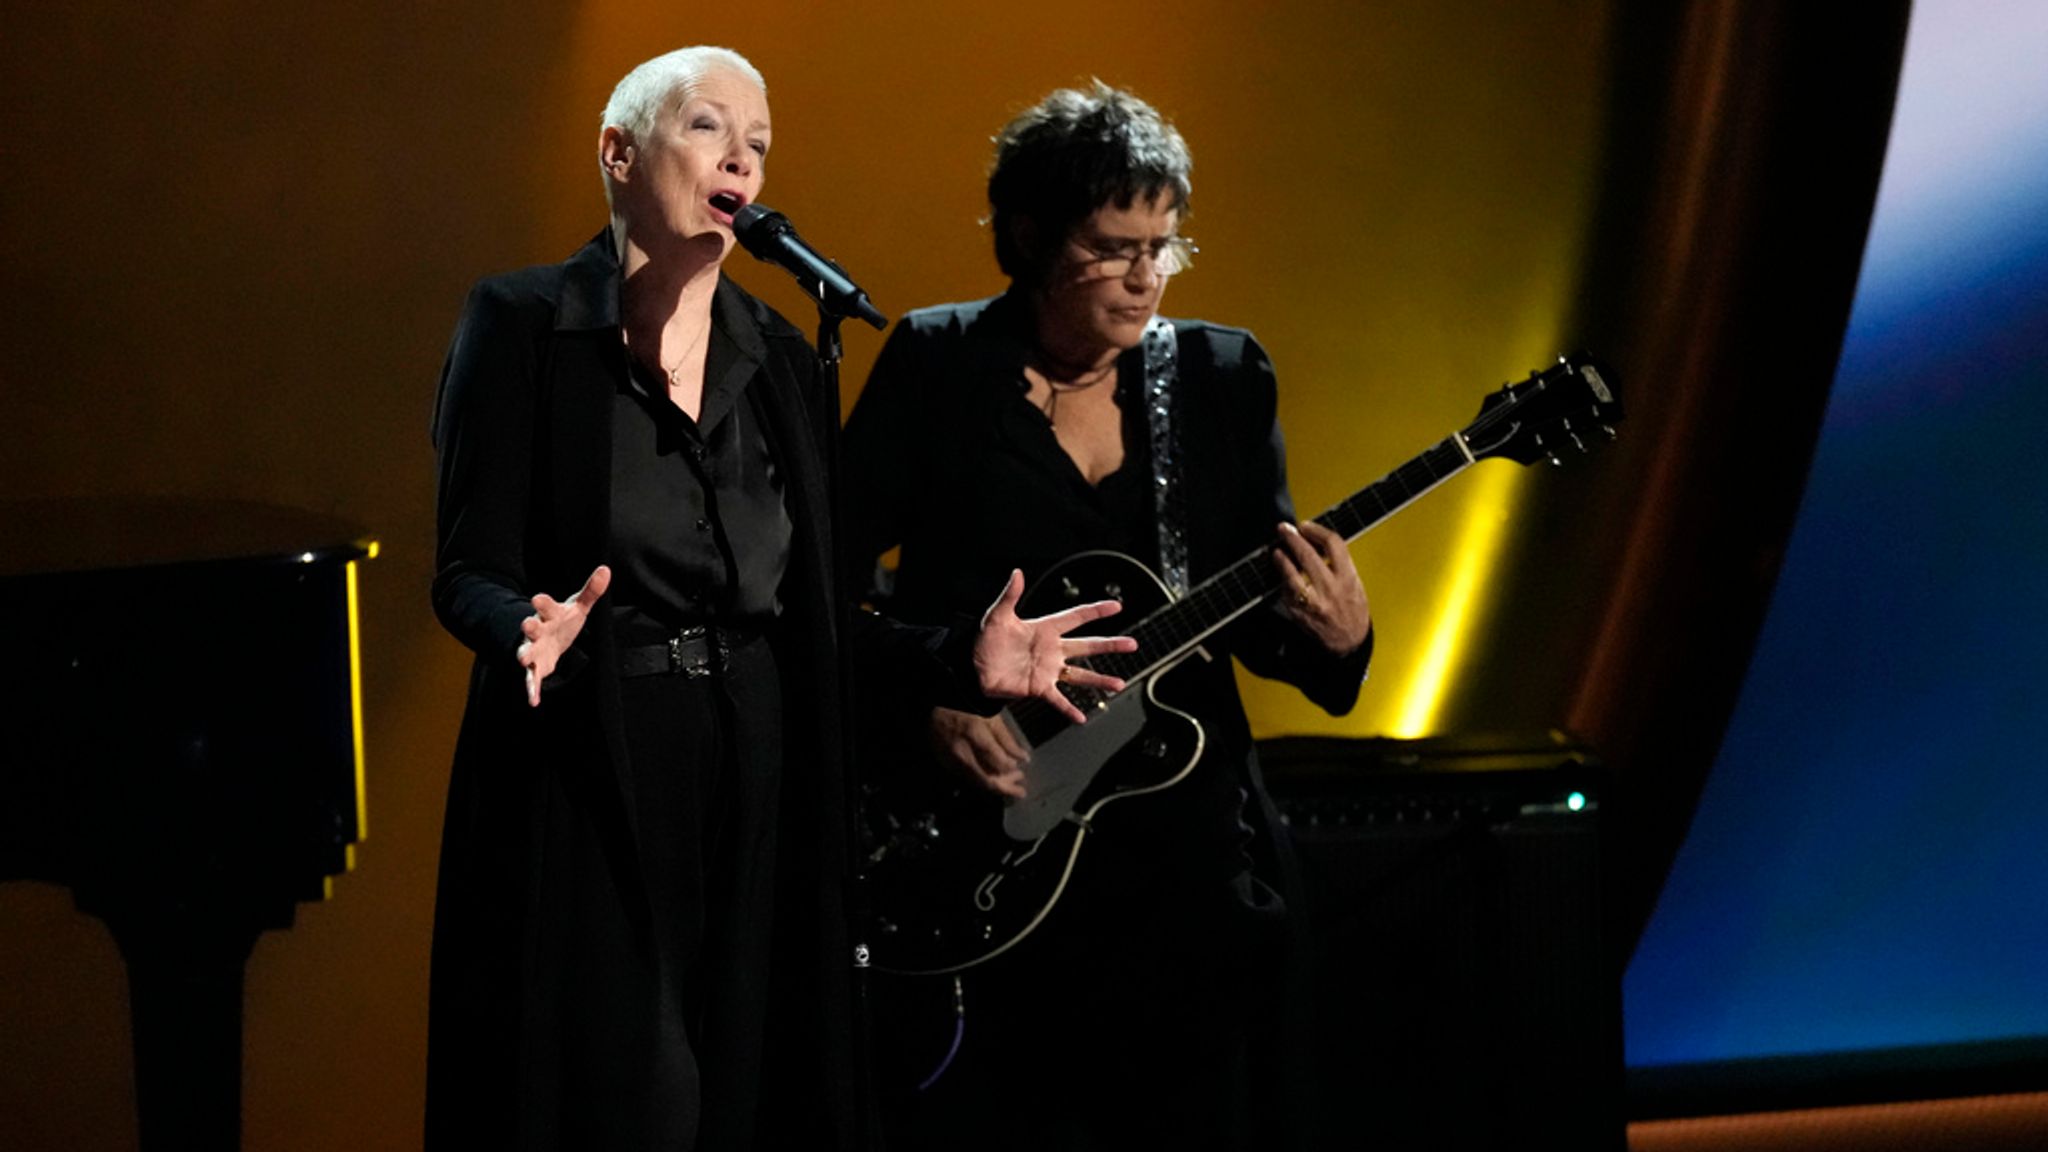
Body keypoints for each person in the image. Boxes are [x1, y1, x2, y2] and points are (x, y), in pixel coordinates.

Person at [426, 47, 1131, 1152]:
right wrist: (521, 625)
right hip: (599, 751)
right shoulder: (523, 327)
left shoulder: (783, 361)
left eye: (757, 145)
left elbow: (813, 622)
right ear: (619, 154)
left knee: (747, 1089)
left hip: (759, 765)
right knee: (624, 1093)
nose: (740, 160)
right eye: (708, 130)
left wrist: (962, 659)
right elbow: (465, 564)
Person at [842, 82, 1374, 1150]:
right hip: (996, 850)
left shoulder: (1221, 377)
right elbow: (819, 590)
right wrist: (930, 709)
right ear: (1029, 238)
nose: (1145, 278)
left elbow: (1259, 616)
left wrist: (1338, 632)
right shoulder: (939, 368)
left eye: (1164, 246)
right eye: (1111, 247)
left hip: (1182, 860)